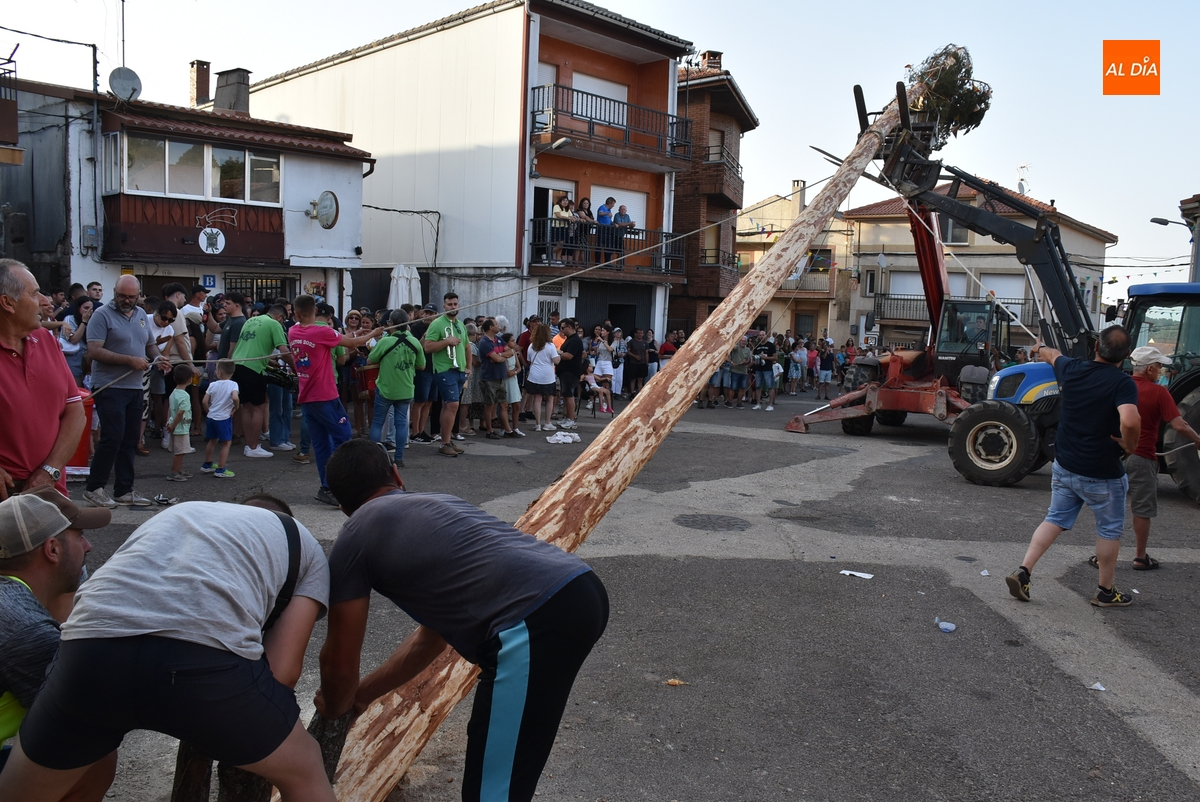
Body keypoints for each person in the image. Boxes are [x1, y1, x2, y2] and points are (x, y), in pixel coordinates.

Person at [318, 440, 609, 802]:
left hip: (534, 621)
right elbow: (429, 641)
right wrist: (362, 697)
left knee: (493, 792)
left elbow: (339, 663)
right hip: (579, 588)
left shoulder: (353, 537)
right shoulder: (439, 504)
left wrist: (335, 707)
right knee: (506, 768)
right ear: (396, 475)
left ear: (342, 505)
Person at [0, 497, 335, 802]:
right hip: (202, 664)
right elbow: (282, 672)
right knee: (304, 766)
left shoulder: (181, 514)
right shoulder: (306, 548)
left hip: (90, 652)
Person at [1006, 326, 1140, 608]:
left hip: (1066, 464)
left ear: (1096, 348)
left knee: (1054, 519)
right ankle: (1105, 591)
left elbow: (1052, 354)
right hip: (1102, 472)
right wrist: (1129, 446)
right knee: (1109, 530)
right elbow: (1129, 420)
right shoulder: (1122, 383)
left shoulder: (1071, 368)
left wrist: (1038, 348)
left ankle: (1024, 571)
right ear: (1127, 355)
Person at [0, 487, 115, 796]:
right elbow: (89, 716)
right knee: (91, 753)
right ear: (52, 549)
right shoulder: (27, 632)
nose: (88, 546)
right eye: (80, 538)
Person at [1101, 346, 1200, 571]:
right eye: (1159, 366)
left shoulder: (1118, 386)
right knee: (1142, 510)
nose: (1161, 370)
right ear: (1150, 369)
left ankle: (1102, 555)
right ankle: (1140, 557)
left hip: (1113, 455)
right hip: (1142, 457)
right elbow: (1179, 425)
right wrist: (1197, 439)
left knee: (1110, 507)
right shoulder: (1158, 393)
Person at [0, 261, 87, 502]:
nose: (44, 301)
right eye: (34, 294)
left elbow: (75, 411)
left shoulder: (46, 341)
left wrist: (49, 471)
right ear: (7, 303)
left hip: (50, 491)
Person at [83, 275, 169, 509]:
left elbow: (149, 345)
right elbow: (94, 350)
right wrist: (129, 360)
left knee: (131, 438)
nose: (126, 300)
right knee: (112, 436)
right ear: (114, 292)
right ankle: (94, 488)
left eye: (131, 297)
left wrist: (158, 358)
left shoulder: (141, 314)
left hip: (135, 386)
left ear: (138, 295)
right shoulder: (101, 315)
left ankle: (124, 489)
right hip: (110, 385)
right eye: (122, 296)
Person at [290, 295, 381, 506]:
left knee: (321, 444)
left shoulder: (293, 331)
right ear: (316, 311)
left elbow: (339, 338)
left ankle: (327, 487)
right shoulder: (322, 332)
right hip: (324, 396)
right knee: (343, 438)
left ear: (296, 313)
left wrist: (356, 333)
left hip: (307, 397)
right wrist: (373, 333)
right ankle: (341, 485)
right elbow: (352, 344)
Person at [232, 303, 296, 459]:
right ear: (279, 317)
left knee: (246, 407)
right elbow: (284, 351)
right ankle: (254, 447)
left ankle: (249, 445)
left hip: (237, 365)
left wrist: (268, 361)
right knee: (258, 407)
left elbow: (250, 346)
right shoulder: (274, 324)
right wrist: (296, 368)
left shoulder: (250, 321)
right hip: (254, 369)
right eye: (283, 320)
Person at [368, 309, 425, 468]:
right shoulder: (415, 342)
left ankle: (374, 459)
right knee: (401, 424)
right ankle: (399, 459)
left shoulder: (385, 341)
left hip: (386, 388)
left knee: (378, 422)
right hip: (405, 389)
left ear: (391, 323)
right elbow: (421, 365)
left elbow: (370, 360)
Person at [422, 293, 470, 458]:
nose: (453, 307)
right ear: (444, 306)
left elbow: (466, 346)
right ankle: (444, 443)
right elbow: (427, 347)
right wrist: (447, 342)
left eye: (455, 304)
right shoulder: (437, 323)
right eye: (449, 304)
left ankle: (446, 440)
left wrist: (468, 367)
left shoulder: (460, 324)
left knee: (449, 406)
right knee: (452, 405)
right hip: (444, 369)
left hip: (459, 370)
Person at [477, 318, 518, 439]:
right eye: (495, 324)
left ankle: (507, 430)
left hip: (500, 377)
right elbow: (498, 359)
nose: (498, 325)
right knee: (490, 405)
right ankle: (489, 430)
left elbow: (510, 352)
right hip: (489, 378)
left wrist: (499, 355)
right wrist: (500, 357)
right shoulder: (484, 342)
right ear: (490, 327)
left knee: (504, 404)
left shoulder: (499, 339)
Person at [201, 359, 240, 478]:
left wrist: (208, 411)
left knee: (212, 440)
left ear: (219, 373)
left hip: (211, 417)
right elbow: (235, 398)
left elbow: (204, 401)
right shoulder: (233, 384)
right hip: (224, 417)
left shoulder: (212, 385)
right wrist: (236, 407)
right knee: (226, 443)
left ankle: (207, 464)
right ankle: (221, 468)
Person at [525, 324, 560, 429]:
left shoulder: (531, 346)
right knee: (549, 399)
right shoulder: (550, 346)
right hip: (548, 376)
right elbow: (556, 361)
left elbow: (529, 360)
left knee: (537, 399)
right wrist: (559, 355)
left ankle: (538, 424)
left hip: (534, 376)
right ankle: (547, 423)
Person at [165, 364, 194, 483]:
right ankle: (174, 471)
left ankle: (178, 469)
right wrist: (173, 425)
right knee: (180, 452)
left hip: (174, 425)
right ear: (190, 379)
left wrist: (169, 422)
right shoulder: (185, 396)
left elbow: (170, 409)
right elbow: (180, 413)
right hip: (180, 427)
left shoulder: (173, 393)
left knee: (180, 450)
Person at [555, 319, 584, 427]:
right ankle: (567, 417)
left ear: (570, 327)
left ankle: (571, 419)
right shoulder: (570, 339)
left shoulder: (574, 341)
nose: (561, 330)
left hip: (570, 372)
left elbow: (569, 356)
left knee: (569, 395)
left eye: (563, 328)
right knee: (566, 395)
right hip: (565, 371)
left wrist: (558, 353)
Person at [751, 331, 777, 411]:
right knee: (758, 386)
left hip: (768, 369)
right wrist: (755, 360)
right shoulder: (757, 346)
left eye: (763, 335)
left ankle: (771, 405)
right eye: (760, 335)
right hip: (758, 369)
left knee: (770, 386)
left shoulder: (771, 345)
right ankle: (758, 404)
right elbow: (754, 356)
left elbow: (775, 357)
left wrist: (766, 358)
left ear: (766, 336)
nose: (761, 336)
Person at [726, 336, 751, 408]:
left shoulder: (748, 349)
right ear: (739, 341)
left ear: (746, 342)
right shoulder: (736, 348)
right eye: (742, 341)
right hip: (735, 370)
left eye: (744, 341)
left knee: (742, 388)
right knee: (733, 387)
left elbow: (749, 360)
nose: (743, 342)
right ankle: (730, 402)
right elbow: (733, 347)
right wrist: (731, 362)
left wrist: (745, 362)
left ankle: (739, 403)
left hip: (744, 371)